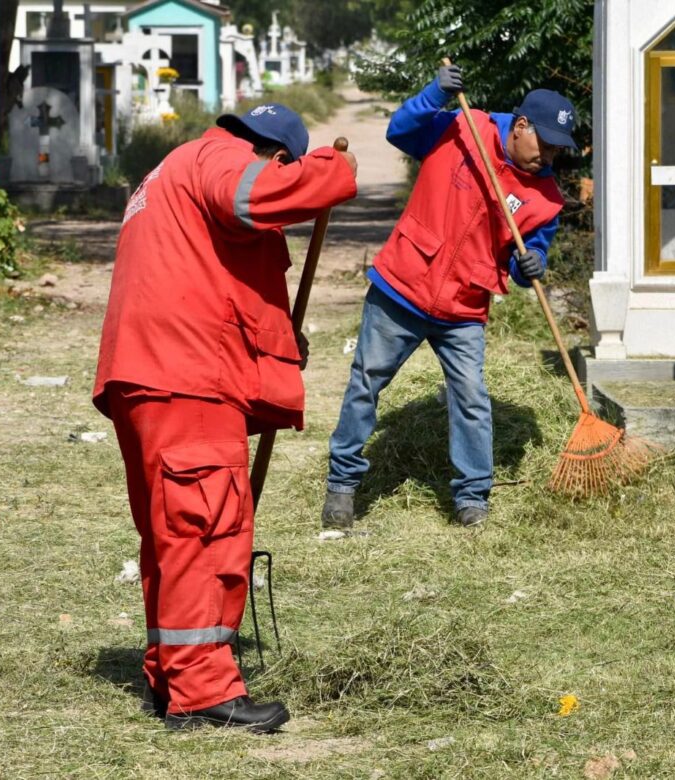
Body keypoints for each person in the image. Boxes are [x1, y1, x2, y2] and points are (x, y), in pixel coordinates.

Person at [93, 103, 357, 732]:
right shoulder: (220, 160)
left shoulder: (173, 171)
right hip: (183, 375)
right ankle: (206, 689)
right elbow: (254, 198)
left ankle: (173, 673)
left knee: (173, 534)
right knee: (205, 529)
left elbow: (219, 283)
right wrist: (334, 169)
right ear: (276, 156)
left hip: (149, 374)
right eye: (285, 168)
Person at [322, 64, 573, 530]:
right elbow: (400, 131)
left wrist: (530, 263)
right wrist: (434, 92)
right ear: (521, 126)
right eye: (547, 146)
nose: (551, 158)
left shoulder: (547, 198)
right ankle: (342, 486)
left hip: (463, 307)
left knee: (473, 399)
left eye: (560, 151)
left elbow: (527, 258)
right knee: (366, 384)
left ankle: (472, 498)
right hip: (402, 285)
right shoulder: (462, 127)